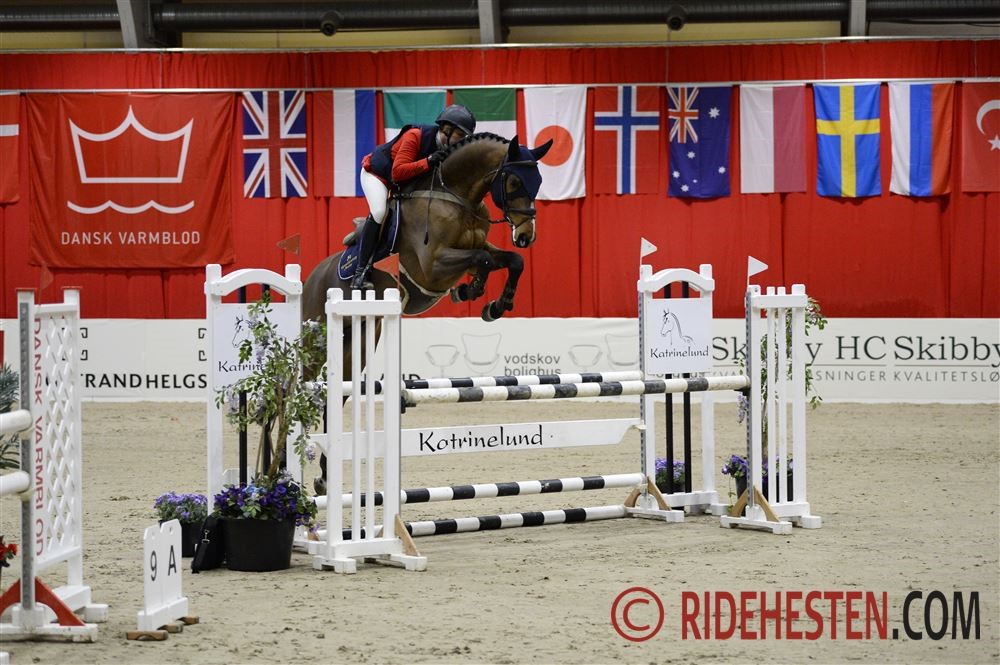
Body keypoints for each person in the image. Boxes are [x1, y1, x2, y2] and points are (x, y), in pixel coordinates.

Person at [350, 104, 477, 289]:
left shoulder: (448, 149)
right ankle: (360, 273)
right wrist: (428, 161)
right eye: (460, 135)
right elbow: (397, 173)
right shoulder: (415, 136)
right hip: (378, 175)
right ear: (446, 130)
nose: (462, 141)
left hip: (403, 184)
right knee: (379, 212)